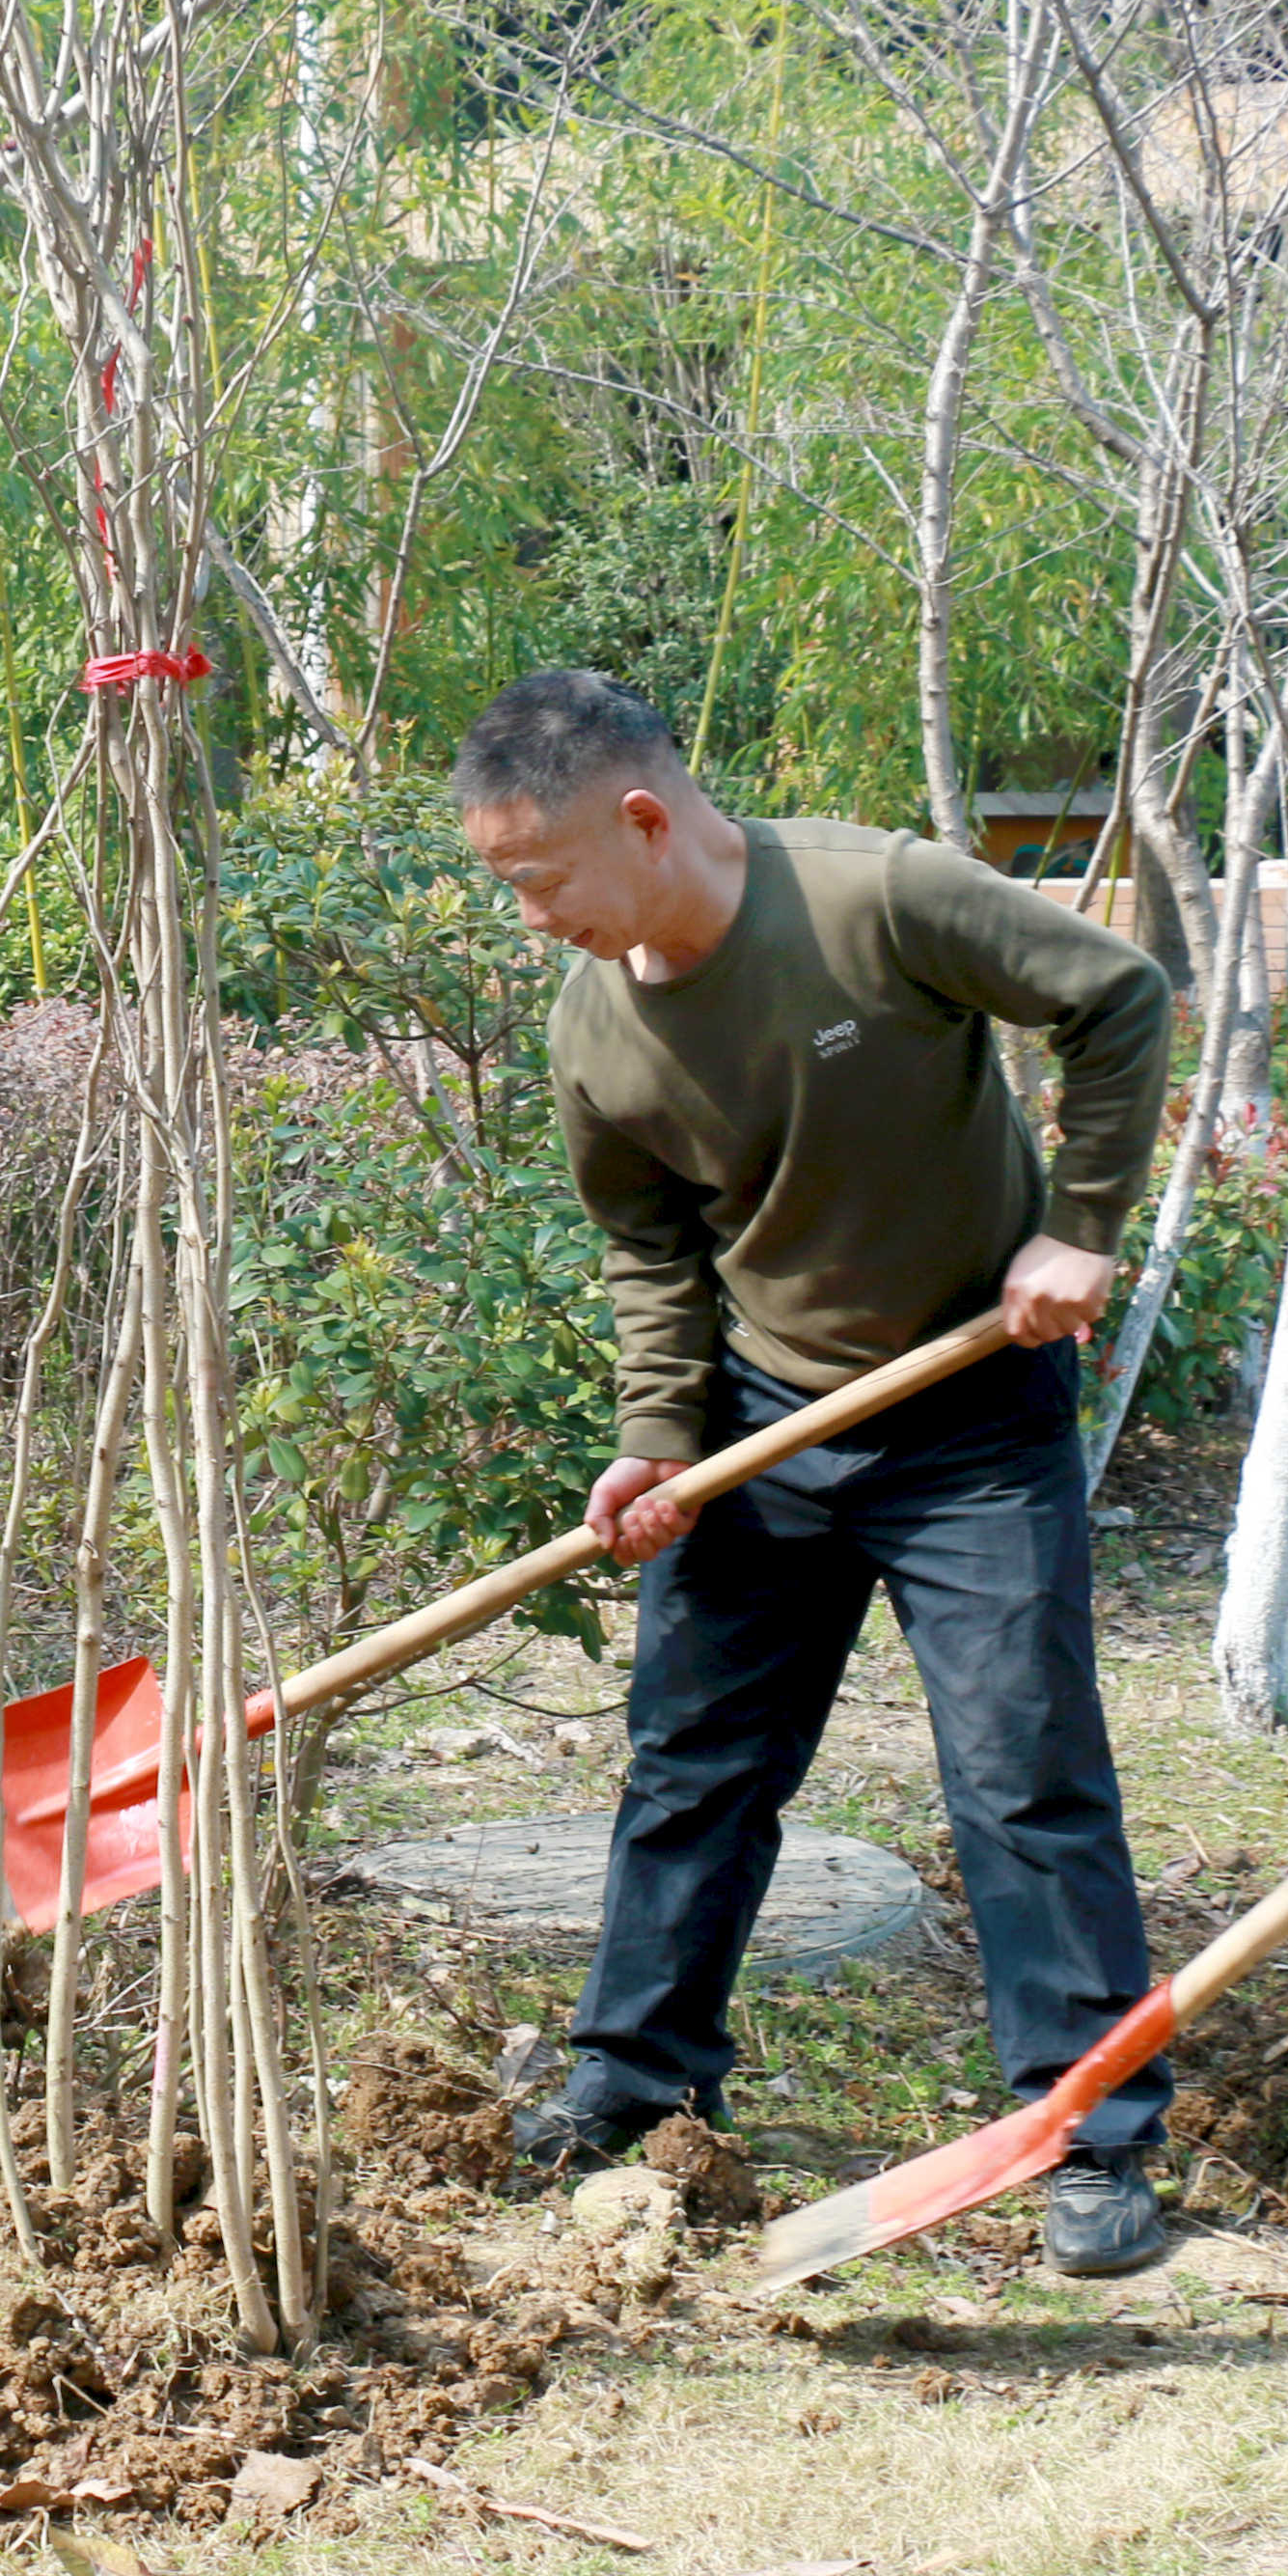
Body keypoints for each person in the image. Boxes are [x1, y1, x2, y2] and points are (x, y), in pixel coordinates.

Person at [452, 669, 1187, 2277]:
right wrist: (661, 1437)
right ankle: (636, 2085)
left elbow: (1115, 997)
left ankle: (1092, 2135)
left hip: (971, 1413)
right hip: (760, 1425)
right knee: (693, 1764)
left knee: (1020, 1768)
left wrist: (1081, 1227)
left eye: (538, 881)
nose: (530, 921)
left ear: (641, 820)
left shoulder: (880, 898)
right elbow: (650, 1247)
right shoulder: (597, 1026)